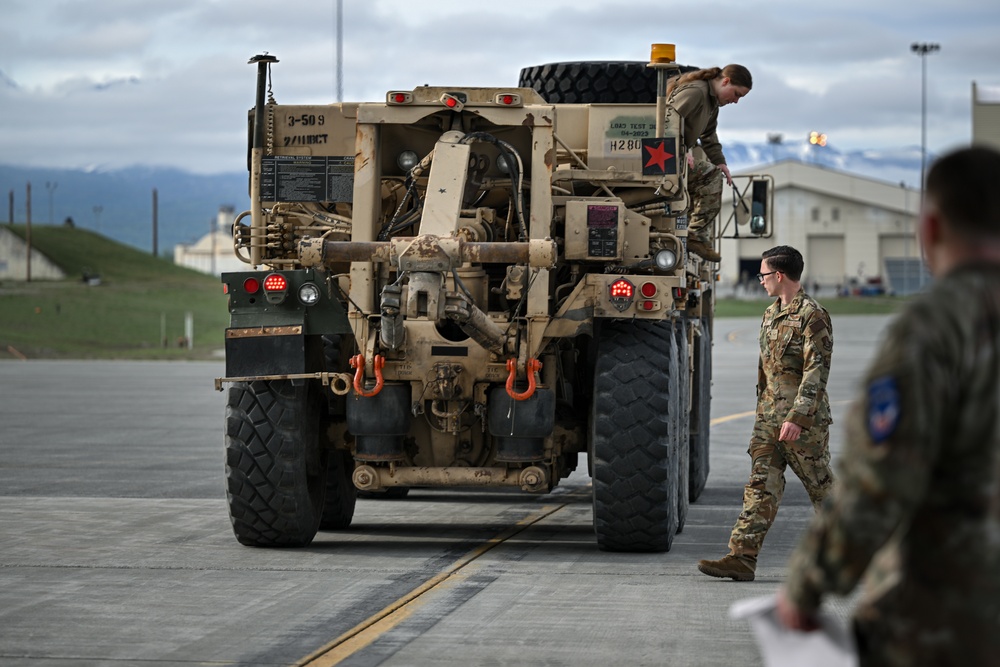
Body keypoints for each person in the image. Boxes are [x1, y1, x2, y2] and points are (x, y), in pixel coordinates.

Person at [776, 145, 1000, 665]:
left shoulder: (937, 328)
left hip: (955, 618)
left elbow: (882, 480)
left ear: (931, 229)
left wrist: (809, 584)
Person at [698, 245, 834, 581]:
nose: (760, 280)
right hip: (769, 420)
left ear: (780, 275)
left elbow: (816, 371)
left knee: (822, 488)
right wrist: (764, 413)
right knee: (761, 486)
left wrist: (798, 417)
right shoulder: (771, 313)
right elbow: (766, 370)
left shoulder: (812, 316)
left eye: (763, 274)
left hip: (803, 424)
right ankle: (741, 558)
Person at [666, 64, 752, 263]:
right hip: (665, 155)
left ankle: (690, 232)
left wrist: (720, 162)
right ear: (726, 81)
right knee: (709, 176)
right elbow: (667, 120)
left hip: (674, 156)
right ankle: (695, 236)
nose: (736, 101)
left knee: (713, 173)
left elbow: (708, 135)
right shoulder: (697, 92)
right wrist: (683, 148)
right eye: (736, 94)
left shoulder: (711, 102)